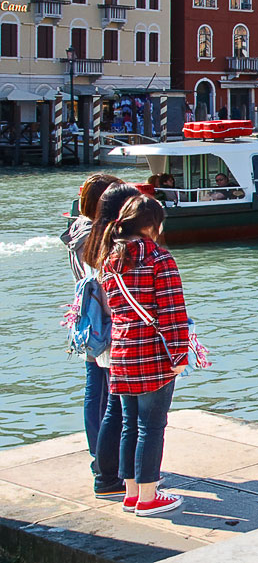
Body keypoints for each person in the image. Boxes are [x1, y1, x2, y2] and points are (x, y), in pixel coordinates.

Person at [95, 194, 188, 517]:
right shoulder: (159, 258)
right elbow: (173, 312)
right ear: (152, 224)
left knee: (129, 424)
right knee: (152, 425)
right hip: (152, 352)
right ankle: (148, 497)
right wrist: (179, 356)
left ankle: (131, 493)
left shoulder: (110, 258)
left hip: (121, 351)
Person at [60, 173, 124, 483]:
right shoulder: (93, 234)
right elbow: (103, 279)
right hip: (103, 318)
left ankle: (100, 455)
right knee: (107, 392)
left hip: (88, 317)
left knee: (96, 387)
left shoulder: (77, 229)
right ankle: (105, 459)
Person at [82, 183, 143, 498]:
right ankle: (112, 475)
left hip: (102, 333)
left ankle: (106, 471)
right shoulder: (114, 248)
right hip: (119, 336)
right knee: (120, 411)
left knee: (108, 404)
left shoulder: (89, 238)